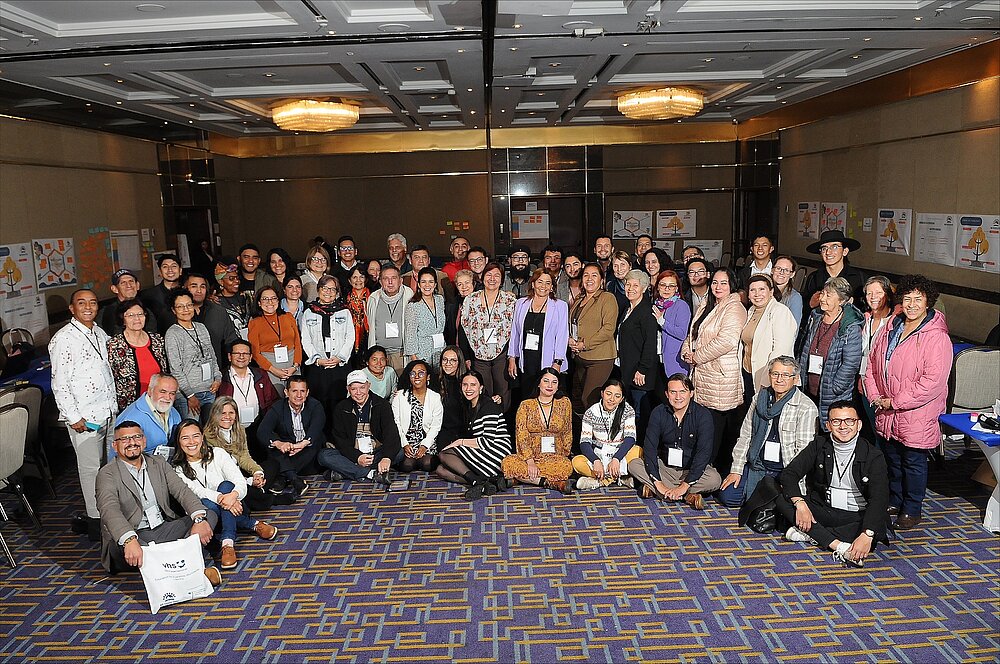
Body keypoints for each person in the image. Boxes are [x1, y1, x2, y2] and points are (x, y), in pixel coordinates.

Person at [863, 274, 952, 530]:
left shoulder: (936, 337)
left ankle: (912, 509)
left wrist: (894, 402)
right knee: (892, 458)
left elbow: (932, 382)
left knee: (913, 462)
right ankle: (895, 499)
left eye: (918, 299)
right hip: (886, 408)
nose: (912, 304)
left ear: (928, 302)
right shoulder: (892, 326)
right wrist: (875, 396)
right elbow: (872, 365)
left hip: (916, 412)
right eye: (907, 298)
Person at [95, 421, 220, 581]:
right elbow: (109, 510)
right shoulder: (107, 474)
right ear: (115, 445)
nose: (132, 442)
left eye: (137, 437)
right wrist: (129, 539)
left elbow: (182, 491)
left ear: (144, 441)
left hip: (162, 529)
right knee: (144, 550)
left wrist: (199, 519)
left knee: (209, 515)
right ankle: (189, 568)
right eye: (125, 439)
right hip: (133, 535)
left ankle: (173, 565)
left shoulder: (158, 462)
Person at [769, 401, 889, 568]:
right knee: (782, 498)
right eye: (836, 421)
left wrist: (867, 534)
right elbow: (790, 474)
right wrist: (800, 504)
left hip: (856, 515)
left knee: (873, 528)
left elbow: (879, 499)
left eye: (849, 421)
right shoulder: (819, 444)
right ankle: (839, 546)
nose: (843, 426)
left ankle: (812, 534)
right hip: (825, 509)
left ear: (859, 425)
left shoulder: (873, 456)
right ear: (828, 425)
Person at [50, 288, 118, 540]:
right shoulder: (63, 339)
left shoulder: (99, 332)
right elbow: (59, 383)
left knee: (108, 467)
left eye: (92, 302)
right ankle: (96, 523)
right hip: (85, 417)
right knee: (90, 471)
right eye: (82, 303)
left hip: (108, 410)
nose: (88, 307)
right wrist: (73, 416)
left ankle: (111, 514)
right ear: (72, 308)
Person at [171, 419, 277, 570]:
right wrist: (222, 499)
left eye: (195, 436)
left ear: (202, 437)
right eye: (185, 438)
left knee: (226, 485)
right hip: (209, 516)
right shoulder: (178, 469)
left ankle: (228, 543)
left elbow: (239, 481)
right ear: (178, 441)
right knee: (204, 502)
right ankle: (252, 524)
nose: (191, 442)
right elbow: (196, 491)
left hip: (237, 505)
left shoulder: (218, 453)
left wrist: (233, 496)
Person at [719, 357, 818, 507]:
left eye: (786, 375)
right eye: (775, 374)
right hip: (758, 466)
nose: (779, 379)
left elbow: (803, 452)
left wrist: (790, 481)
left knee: (781, 505)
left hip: (784, 470)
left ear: (796, 379)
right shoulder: (759, 399)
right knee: (728, 496)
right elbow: (745, 436)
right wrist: (736, 470)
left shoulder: (806, 407)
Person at [681, 268, 747, 474]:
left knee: (716, 430)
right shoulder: (707, 304)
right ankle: (701, 470)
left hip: (720, 378)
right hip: (702, 374)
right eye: (715, 282)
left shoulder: (734, 307)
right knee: (703, 428)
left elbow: (727, 341)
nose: (718, 287)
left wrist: (697, 356)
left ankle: (714, 474)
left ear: (732, 285)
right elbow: (693, 332)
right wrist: (686, 350)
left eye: (723, 283)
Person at [629, 374, 721, 508]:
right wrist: (659, 484)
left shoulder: (703, 415)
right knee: (634, 465)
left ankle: (662, 492)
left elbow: (703, 454)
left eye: (683, 391)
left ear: (691, 393)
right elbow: (650, 448)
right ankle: (685, 495)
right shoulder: (658, 412)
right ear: (667, 394)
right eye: (673, 392)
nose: (678, 397)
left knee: (714, 479)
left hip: (691, 470)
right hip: (665, 468)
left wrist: (685, 485)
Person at [436, 371, 512, 500]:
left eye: (473, 385)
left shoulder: (489, 405)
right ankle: (484, 482)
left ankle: (478, 481)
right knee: (441, 470)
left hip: (496, 451)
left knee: (444, 455)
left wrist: (460, 442)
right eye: (465, 385)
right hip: (482, 449)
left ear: (481, 388)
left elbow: (487, 441)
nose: (468, 388)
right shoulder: (470, 406)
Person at [798, 276, 863, 423]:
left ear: (841, 300)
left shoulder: (850, 326)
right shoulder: (815, 316)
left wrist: (835, 387)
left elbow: (851, 363)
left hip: (832, 393)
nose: (822, 298)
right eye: (823, 293)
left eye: (828, 295)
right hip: (809, 387)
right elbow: (804, 347)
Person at [320, 370, 400, 483]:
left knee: (399, 453)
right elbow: (340, 441)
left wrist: (386, 457)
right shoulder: (341, 408)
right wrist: (357, 457)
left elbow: (390, 434)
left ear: (368, 386)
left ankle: (344, 471)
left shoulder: (382, 405)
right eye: (354, 389)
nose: (358, 393)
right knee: (324, 456)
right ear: (348, 389)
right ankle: (370, 474)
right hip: (352, 454)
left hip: (376, 452)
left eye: (362, 387)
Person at [502, 369, 574, 493]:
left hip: (555, 456)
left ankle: (521, 478)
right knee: (508, 463)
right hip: (530, 456)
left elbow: (567, 431)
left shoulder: (564, 403)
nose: (550, 385)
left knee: (566, 466)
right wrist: (530, 461)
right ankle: (549, 482)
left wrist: (564, 453)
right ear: (539, 384)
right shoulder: (526, 405)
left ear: (558, 386)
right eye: (546, 381)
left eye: (554, 382)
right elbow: (521, 434)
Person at [203, 396, 280, 510]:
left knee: (273, 464)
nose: (227, 417)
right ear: (215, 415)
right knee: (236, 489)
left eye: (231, 413)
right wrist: (248, 481)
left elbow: (244, 456)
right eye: (223, 413)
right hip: (225, 479)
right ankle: (268, 498)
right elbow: (221, 473)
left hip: (240, 471)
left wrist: (257, 473)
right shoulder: (207, 436)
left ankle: (258, 492)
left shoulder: (240, 430)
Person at [299, 275, 355, 428]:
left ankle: (338, 435)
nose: (328, 292)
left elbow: (350, 337)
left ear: (337, 292)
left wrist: (340, 357)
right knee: (318, 404)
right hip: (318, 367)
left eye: (332, 289)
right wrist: (317, 359)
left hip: (339, 366)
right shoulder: (309, 312)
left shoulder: (344, 311)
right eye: (325, 288)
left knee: (340, 403)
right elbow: (306, 339)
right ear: (318, 290)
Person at [460, 262, 516, 410]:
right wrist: (467, 356)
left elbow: (516, 330)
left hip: (502, 353)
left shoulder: (510, 300)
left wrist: (512, 356)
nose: (492, 279)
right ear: (482, 277)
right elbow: (463, 328)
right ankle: (485, 418)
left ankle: (502, 420)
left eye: (497, 275)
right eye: (489, 274)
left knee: (503, 390)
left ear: (502, 279)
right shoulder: (471, 299)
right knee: (483, 390)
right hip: (478, 354)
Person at [256, 375, 322, 498]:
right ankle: (294, 479)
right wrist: (279, 443)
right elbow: (262, 431)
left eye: (302, 391)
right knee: (273, 448)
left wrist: (302, 444)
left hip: (306, 449)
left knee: (314, 444)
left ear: (307, 393)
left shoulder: (315, 406)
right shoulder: (278, 407)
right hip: (288, 449)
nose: (299, 395)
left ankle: (282, 477)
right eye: (294, 391)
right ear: (286, 392)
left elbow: (316, 430)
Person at [508, 269, 569, 396]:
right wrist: (512, 357)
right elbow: (515, 332)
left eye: (548, 283)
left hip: (549, 361)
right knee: (527, 397)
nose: (543, 286)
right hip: (526, 359)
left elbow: (562, 336)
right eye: (540, 282)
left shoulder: (560, 306)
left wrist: (557, 362)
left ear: (552, 287)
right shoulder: (521, 303)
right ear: (533, 284)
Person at [164, 288, 222, 422]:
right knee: (192, 430)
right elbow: (175, 369)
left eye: (189, 305)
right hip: (188, 395)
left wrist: (217, 378)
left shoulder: (201, 327)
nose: (186, 309)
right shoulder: (173, 333)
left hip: (210, 390)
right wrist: (190, 395)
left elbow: (212, 356)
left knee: (211, 430)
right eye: (180, 306)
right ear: (173, 310)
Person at [568, 263, 619, 412]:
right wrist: (570, 339)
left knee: (590, 399)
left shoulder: (607, 298)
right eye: (586, 275)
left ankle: (601, 427)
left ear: (601, 280)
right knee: (579, 399)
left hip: (600, 358)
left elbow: (608, 329)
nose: (589, 279)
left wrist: (585, 344)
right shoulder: (579, 299)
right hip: (579, 357)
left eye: (594, 275)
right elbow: (573, 323)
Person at [573, 379, 640, 490]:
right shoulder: (591, 412)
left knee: (638, 452)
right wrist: (595, 460)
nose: (612, 399)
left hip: (620, 453)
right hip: (599, 453)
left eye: (617, 396)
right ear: (602, 393)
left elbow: (630, 438)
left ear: (622, 399)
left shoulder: (628, 411)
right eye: (608, 394)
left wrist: (616, 458)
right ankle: (620, 478)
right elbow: (584, 442)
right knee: (577, 462)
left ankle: (600, 481)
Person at [107, 299, 169, 412]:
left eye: (140, 314)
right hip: (130, 406)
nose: (137, 318)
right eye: (130, 315)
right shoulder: (114, 345)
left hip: (159, 402)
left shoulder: (157, 340)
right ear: (123, 319)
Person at [617, 270, 660, 425]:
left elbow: (650, 344)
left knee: (639, 414)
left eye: (635, 285)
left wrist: (642, 369)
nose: (630, 288)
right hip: (627, 369)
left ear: (643, 288)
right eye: (628, 284)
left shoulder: (647, 311)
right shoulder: (627, 309)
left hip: (640, 373)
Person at [217, 339, 279, 446]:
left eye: (245, 354)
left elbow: (272, 400)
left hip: (257, 427)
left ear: (250, 357)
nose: (241, 356)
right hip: (231, 429)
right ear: (229, 356)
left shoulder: (261, 375)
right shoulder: (221, 378)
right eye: (237, 353)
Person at [741, 274, 797, 393]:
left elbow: (781, 350)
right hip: (748, 372)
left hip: (768, 378)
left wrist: (767, 379)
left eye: (762, 289)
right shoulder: (751, 310)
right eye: (752, 290)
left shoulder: (780, 311)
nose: (757, 294)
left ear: (771, 292)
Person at [390, 360, 443, 473]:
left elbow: (436, 426)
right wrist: (405, 444)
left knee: (427, 464)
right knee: (407, 465)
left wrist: (424, 446)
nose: (417, 376)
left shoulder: (435, 397)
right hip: (405, 441)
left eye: (421, 373)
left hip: (426, 441)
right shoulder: (400, 396)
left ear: (428, 377)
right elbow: (396, 423)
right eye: (413, 373)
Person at [114, 373, 182, 455]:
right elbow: (123, 456)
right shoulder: (130, 418)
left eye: (172, 393)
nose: (167, 397)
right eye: (163, 392)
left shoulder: (174, 413)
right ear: (150, 391)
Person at [248, 286, 303, 387]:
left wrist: (295, 366)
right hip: (270, 367)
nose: (270, 302)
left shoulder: (288, 317)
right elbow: (255, 352)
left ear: (278, 300)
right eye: (265, 299)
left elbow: (298, 344)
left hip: (292, 365)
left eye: (273, 298)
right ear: (259, 303)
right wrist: (274, 370)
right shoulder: (254, 323)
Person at [186, 272, 240, 370]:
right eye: (194, 286)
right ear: (185, 288)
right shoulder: (177, 313)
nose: (199, 290)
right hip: (187, 371)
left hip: (215, 369)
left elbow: (231, 340)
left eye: (202, 287)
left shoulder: (219, 312)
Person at [802, 230, 865, 314]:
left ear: (845, 251)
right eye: (824, 248)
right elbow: (804, 310)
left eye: (834, 247)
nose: (828, 252)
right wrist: (811, 304)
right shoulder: (814, 278)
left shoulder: (859, 278)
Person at [366, 265, 413, 376]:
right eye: (386, 279)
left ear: (401, 280)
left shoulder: (410, 296)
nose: (390, 282)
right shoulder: (373, 298)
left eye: (394, 278)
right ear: (380, 282)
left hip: (401, 354)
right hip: (379, 357)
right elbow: (370, 324)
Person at [404, 267, 446, 368]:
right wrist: (415, 360)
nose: (427, 285)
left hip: (440, 350)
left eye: (431, 282)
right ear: (419, 284)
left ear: (435, 284)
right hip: (422, 353)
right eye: (423, 282)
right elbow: (410, 334)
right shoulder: (413, 305)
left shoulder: (440, 300)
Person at [651, 270, 691, 378]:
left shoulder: (681, 305)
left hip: (675, 362)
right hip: (657, 360)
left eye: (671, 286)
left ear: (676, 288)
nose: (666, 289)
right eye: (663, 285)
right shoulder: (655, 305)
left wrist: (662, 322)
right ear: (658, 287)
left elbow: (681, 333)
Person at [98, 269, 158, 336]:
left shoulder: (147, 310)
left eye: (131, 281)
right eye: (123, 283)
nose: (128, 285)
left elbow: (152, 335)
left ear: (137, 285)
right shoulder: (106, 313)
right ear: (114, 289)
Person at [434, 346, 467, 450]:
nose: (448, 363)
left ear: (459, 362)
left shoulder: (467, 381)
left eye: (453, 360)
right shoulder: (435, 381)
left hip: (464, 432)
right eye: (445, 359)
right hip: (442, 432)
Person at [140, 253, 182, 335]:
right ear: (160, 271)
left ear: (180, 271)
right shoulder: (148, 296)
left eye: (174, 266)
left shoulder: (188, 292)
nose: (170, 270)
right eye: (165, 267)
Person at [215, 259, 252, 338]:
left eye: (237, 278)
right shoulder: (216, 302)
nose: (237, 281)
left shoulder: (244, 297)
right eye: (231, 278)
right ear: (221, 282)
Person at [344, 265, 371, 361]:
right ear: (349, 280)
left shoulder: (373, 296)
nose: (358, 280)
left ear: (366, 279)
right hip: (348, 334)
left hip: (369, 334)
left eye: (361, 277)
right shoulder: (344, 298)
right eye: (354, 277)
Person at [771, 255, 803, 326]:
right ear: (772, 270)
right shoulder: (763, 291)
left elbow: (794, 326)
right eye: (778, 268)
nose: (781, 272)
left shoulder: (795, 297)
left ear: (792, 274)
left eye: (786, 270)